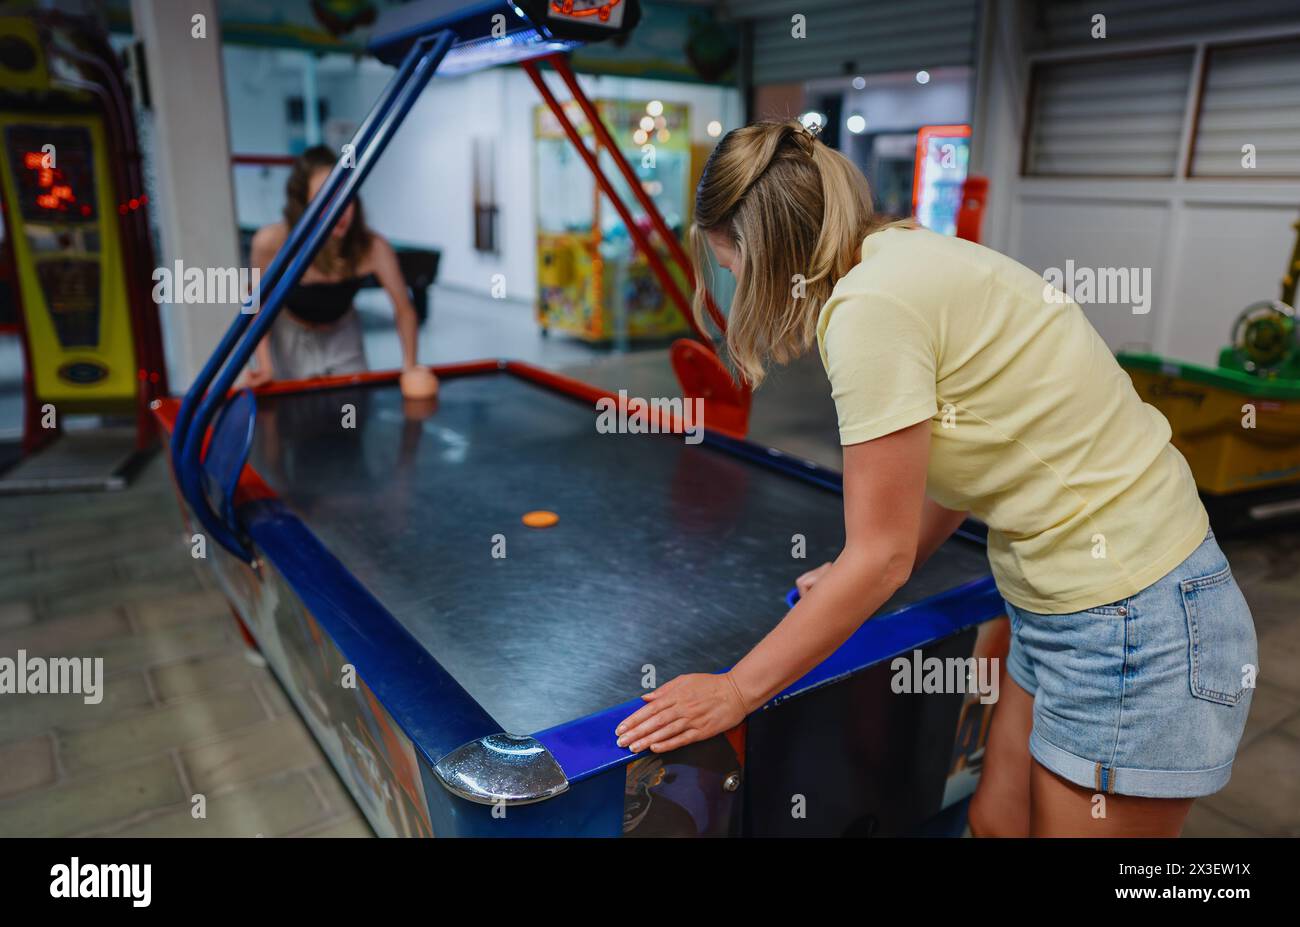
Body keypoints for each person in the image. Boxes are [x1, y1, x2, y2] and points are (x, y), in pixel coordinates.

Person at [614, 120, 1258, 837]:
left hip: (1133, 614)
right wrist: (869, 564)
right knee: (996, 819)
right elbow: (969, 449)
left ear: (766, 254)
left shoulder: (868, 309)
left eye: (730, 264)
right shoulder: (899, 253)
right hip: (1061, 602)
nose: (731, 282)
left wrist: (735, 688)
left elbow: (879, 557)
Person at [243, 145, 434, 396]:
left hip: (343, 334)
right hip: (290, 337)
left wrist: (410, 365)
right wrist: (264, 366)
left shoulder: (373, 248)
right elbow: (257, 305)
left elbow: (404, 309)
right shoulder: (271, 243)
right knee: (293, 415)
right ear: (303, 206)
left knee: (352, 410)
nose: (339, 212)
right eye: (323, 199)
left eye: (346, 197)